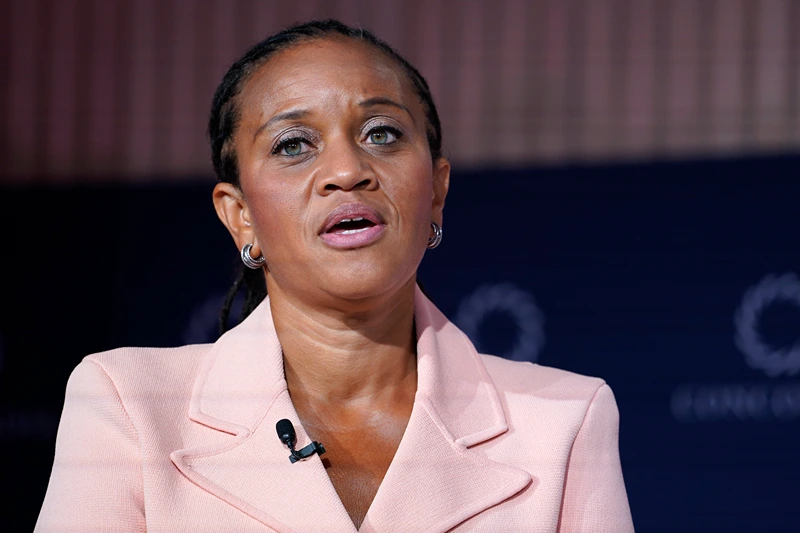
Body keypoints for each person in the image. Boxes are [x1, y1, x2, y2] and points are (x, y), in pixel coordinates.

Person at [35, 20, 634, 533]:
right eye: (294, 144)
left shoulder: (563, 419)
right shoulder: (129, 403)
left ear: (437, 194)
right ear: (240, 216)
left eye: (382, 134)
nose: (347, 170)